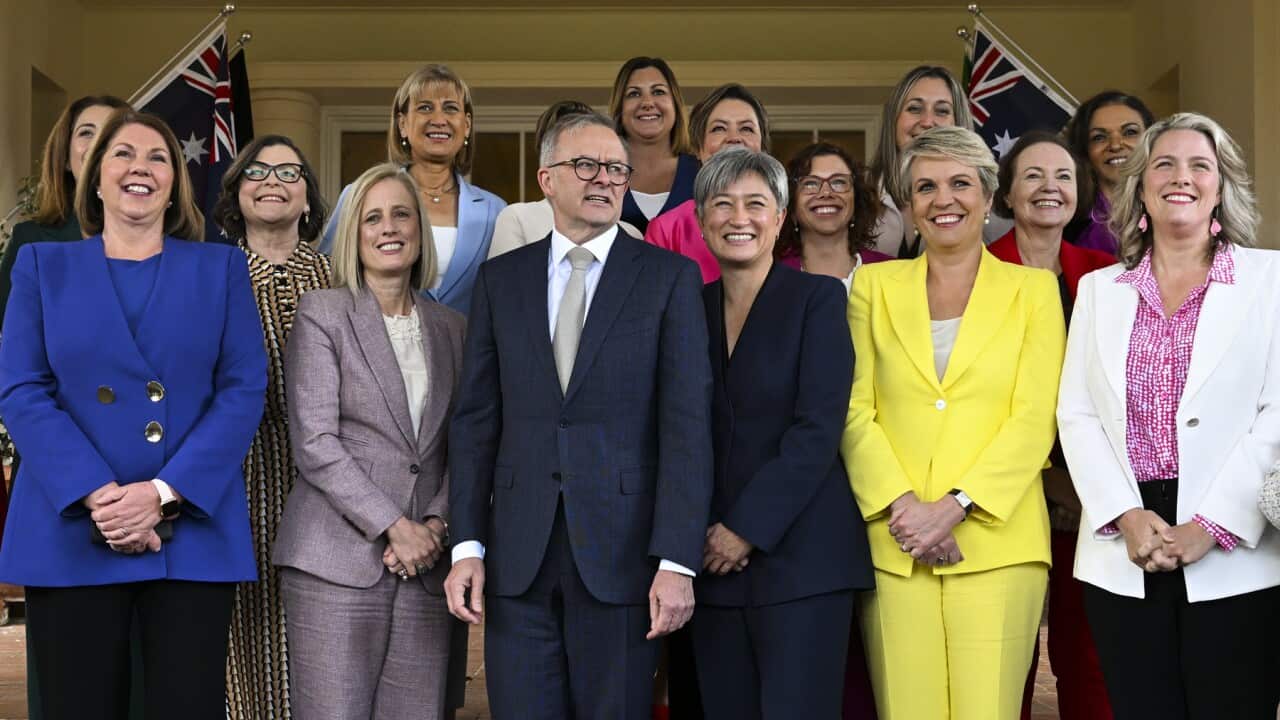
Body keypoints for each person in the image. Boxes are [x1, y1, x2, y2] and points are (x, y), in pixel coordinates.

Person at [444, 111, 713, 719]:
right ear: (546, 179)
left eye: (616, 168)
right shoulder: (499, 280)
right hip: (518, 558)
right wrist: (466, 545)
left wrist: (676, 561)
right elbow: (476, 421)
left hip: (625, 561)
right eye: (586, 165)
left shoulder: (670, 279)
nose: (605, 180)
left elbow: (687, 427)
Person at [0, 109, 267, 720]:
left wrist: (162, 494)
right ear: (94, 179)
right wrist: (100, 496)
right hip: (70, 531)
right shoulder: (42, 265)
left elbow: (242, 390)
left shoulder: (221, 269)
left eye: (158, 158)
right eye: (122, 154)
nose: (139, 168)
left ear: (175, 183)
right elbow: (21, 389)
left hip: (191, 533)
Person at [1057, 112, 1280, 719]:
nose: (1181, 177)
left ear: (1221, 185)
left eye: (1199, 165)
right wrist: (1125, 515)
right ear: (1142, 189)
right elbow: (1076, 413)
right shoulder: (1101, 290)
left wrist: (1211, 525)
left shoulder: (1271, 279)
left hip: (1236, 547)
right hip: (1124, 546)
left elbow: (1276, 414)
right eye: (1164, 164)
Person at [842, 126, 1064, 720]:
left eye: (960, 184)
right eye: (926, 187)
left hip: (995, 542)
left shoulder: (1035, 290)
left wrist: (954, 507)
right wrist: (905, 508)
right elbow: (854, 410)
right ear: (909, 204)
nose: (944, 199)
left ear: (989, 197)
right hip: (897, 540)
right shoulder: (871, 284)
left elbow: (1034, 418)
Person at [274, 163, 465, 719]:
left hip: (428, 565)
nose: (389, 228)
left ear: (419, 229)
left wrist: (434, 526)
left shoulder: (455, 327)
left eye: (402, 214)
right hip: (335, 560)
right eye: (372, 217)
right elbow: (315, 440)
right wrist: (394, 525)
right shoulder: (323, 313)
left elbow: (467, 442)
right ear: (354, 234)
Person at [689, 147, 874, 719]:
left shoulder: (817, 301)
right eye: (722, 204)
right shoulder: (686, 308)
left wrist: (744, 528)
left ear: (780, 216)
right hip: (711, 565)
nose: (738, 217)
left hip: (802, 560)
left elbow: (817, 430)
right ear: (701, 219)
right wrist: (704, 534)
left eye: (755, 203)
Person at [0, 92, 129, 720]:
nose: (102, 145)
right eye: (87, 134)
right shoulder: (32, 243)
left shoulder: (183, 251)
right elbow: (19, 378)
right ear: (68, 154)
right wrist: (90, 485)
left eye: (118, 135)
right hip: (62, 489)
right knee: (66, 686)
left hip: (154, 497)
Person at [988, 130, 1115, 720]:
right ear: (1007, 193)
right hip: (999, 495)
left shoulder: (1106, 274)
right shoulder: (976, 272)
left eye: (1063, 175)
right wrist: (1040, 482)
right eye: (1033, 175)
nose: (1050, 187)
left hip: (1089, 500)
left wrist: (1083, 488)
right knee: (1004, 663)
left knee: (1086, 657)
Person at [213, 134, 332, 720]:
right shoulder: (209, 276)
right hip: (238, 480)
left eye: (289, 172)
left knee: (327, 637)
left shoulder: (344, 278)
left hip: (332, 488)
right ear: (236, 193)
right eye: (256, 172)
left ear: (309, 199)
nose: (273, 181)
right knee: (251, 633)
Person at [322, 64, 504, 317]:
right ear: (403, 124)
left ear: (467, 125)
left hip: (467, 351)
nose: (439, 120)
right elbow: (329, 278)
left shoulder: (496, 210)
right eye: (425, 108)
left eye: (450, 108)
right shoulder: (361, 195)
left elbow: (506, 296)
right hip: (378, 346)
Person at [644, 83, 770, 282]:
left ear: (762, 146)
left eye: (746, 128)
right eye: (719, 128)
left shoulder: (785, 224)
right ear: (698, 147)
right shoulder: (667, 229)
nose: (734, 138)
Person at [488, 100, 641, 259]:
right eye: (584, 163)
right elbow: (505, 280)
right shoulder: (518, 218)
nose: (602, 178)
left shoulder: (630, 233)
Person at [867, 66, 972, 258]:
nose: (927, 121)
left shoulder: (981, 198)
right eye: (914, 108)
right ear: (894, 119)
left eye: (942, 111)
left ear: (959, 124)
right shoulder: (860, 194)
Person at [777, 142, 893, 289]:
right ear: (791, 205)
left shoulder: (892, 272)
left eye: (838, 182)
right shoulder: (772, 278)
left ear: (857, 201)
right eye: (810, 183)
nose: (826, 193)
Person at [610, 57, 699, 233]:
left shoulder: (702, 171)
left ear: (675, 104)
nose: (647, 103)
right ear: (620, 108)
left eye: (658, 92)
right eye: (634, 94)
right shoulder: (601, 173)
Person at [1063, 91, 1155, 256]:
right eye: (1099, 137)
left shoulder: (1179, 209)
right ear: (1085, 150)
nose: (1115, 145)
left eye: (1130, 132)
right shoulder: (1066, 223)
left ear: (1152, 141)